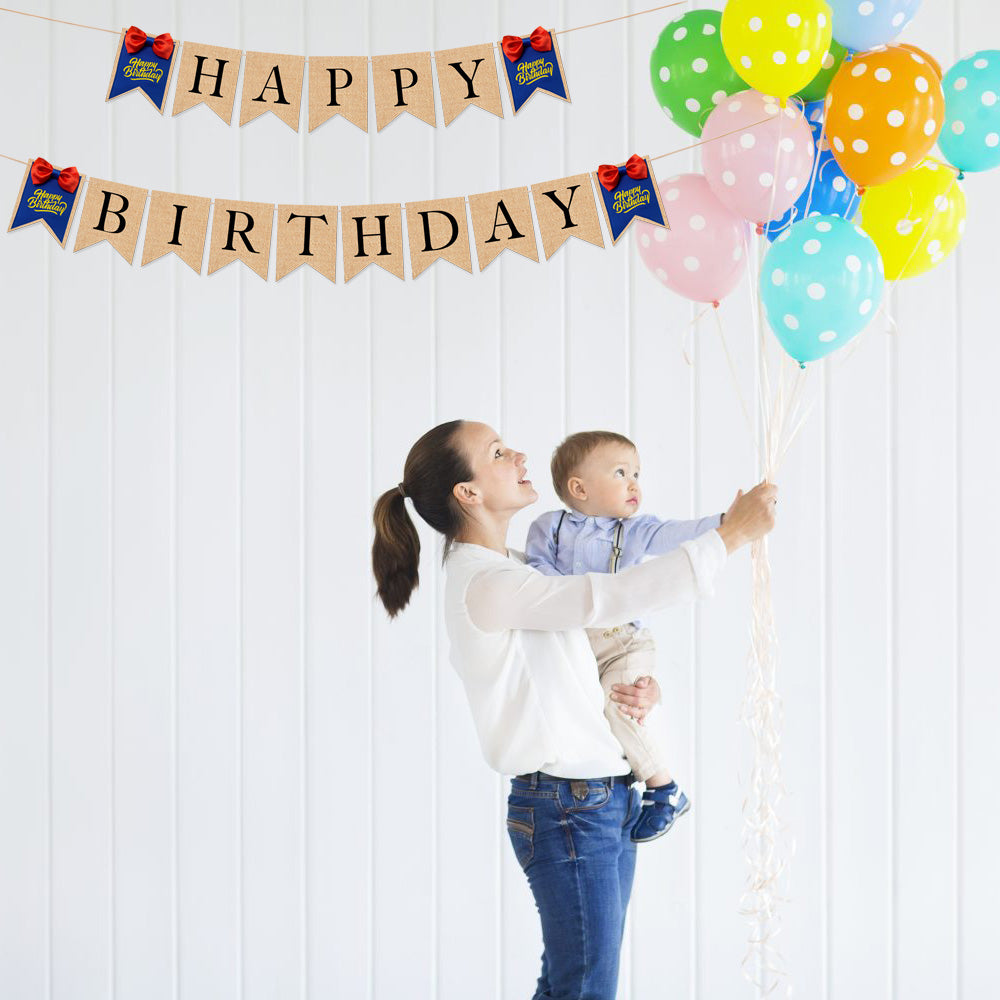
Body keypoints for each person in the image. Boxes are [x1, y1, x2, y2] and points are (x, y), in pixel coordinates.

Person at [371, 419, 777, 1000]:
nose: (518, 455)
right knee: (584, 989)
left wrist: (631, 683)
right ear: (469, 492)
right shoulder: (484, 581)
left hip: (599, 797)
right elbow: (602, 597)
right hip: (567, 807)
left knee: (573, 986)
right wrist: (728, 538)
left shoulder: (515, 569)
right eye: (497, 452)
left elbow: (574, 650)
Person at [524, 430, 727, 844]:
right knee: (589, 710)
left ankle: (664, 787)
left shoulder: (634, 531)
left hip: (623, 643)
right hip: (578, 644)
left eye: (637, 473)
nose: (634, 483)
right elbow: (538, 574)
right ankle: (618, 781)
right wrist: (566, 600)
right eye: (621, 472)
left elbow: (681, 533)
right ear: (578, 488)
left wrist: (728, 523)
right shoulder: (549, 528)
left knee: (621, 704)